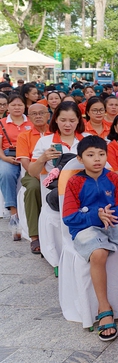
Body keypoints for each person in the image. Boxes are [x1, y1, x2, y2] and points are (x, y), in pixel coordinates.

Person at [62, 136, 118, 341]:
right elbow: (69, 217)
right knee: (98, 254)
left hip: (113, 222)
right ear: (80, 158)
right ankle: (104, 307)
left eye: (101, 154)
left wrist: (111, 213)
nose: (97, 159)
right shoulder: (74, 182)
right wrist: (95, 214)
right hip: (86, 228)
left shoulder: (113, 178)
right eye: (90, 155)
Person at [16, 103, 52, 253]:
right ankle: (35, 236)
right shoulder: (24, 136)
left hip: (54, 172)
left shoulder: (55, 133)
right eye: (34, 114)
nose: (38, 116)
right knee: (32, 188)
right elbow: (25, 162)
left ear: (48, 115)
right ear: (29, 117)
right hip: (32, 173)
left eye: (41, 113)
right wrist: (40, 176)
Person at [0, 94, 32, 240]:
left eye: (20, 105)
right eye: (13, 105)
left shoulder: (31, 122)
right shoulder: (1, 123)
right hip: (9, 155)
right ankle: (14, 213)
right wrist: (5, 158)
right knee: (6, 173)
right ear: (7, 107)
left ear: (25, 106)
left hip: (28, 155)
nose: (17, 108)